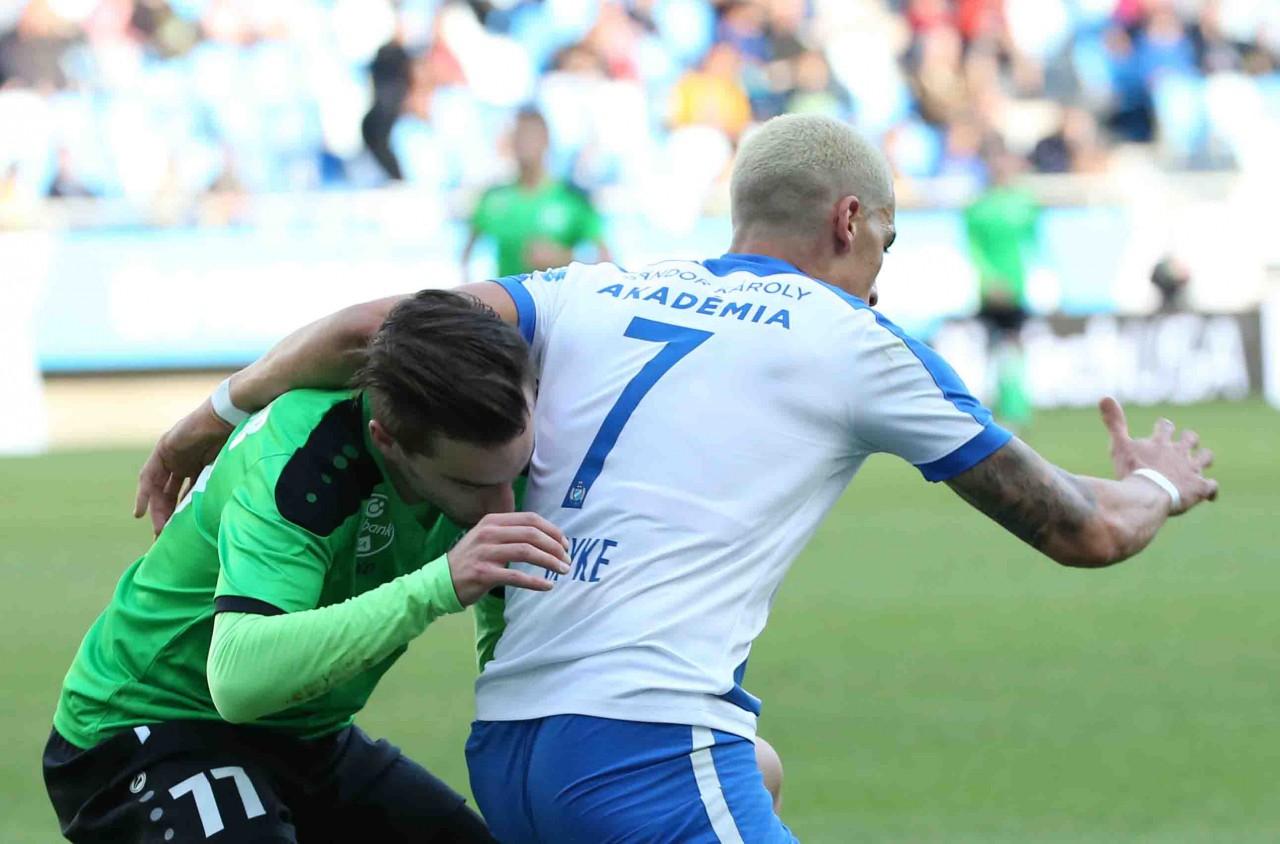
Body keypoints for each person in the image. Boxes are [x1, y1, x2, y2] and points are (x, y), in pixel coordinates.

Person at [137, 114, 1219, 842]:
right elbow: (1081, 529)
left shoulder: (586, 291)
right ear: (849, 221)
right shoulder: (857, 341)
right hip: (647, 748)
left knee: (764, 766)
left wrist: (212, 415)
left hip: (508, 754)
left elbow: (379, 325)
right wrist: (1159, 486)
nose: (879, 278)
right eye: (883, 246)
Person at [45, 291, 574, 843]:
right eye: (468, 484)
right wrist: (440, 583)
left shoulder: (500, 439)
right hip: (147, 727)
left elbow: (507, 644)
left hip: (308, 736)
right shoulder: (304, 462)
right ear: (387, 441)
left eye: (513, 471)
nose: (502, 505)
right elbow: (239, 679)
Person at [460, 108, 610, 280]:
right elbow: (467, 255)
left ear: (546, 139)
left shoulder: (571, 198)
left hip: (557, 297)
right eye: (518, 136)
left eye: (529, 135)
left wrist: (563, 258)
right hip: (508, 297)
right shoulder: (493, 198)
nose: (523, 144)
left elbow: (605, 261)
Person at [964, 149, 1041, 430]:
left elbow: (1033, 246)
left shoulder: (1024, 204)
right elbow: (974, 250)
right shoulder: (980, 208)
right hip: (993, 289)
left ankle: (1014, 405)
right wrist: (990, 279)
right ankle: (999, 405)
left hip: (1017, 287)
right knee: (997, 346)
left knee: (1011, 345)